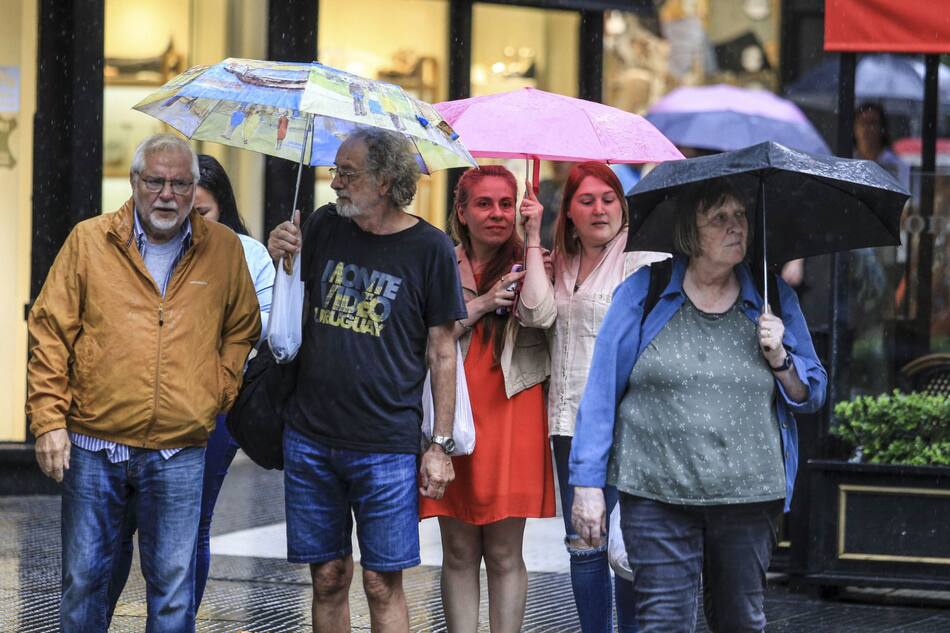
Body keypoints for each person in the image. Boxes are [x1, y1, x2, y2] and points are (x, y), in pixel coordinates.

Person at [26, 133, 261, 633]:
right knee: (85, 582)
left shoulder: (222, 249)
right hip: (93, 443)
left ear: (194, 188)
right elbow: (49, 331)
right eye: (155, 181)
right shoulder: (89, 241)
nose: (167, 194)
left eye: (179, 183)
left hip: (180, 448)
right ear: (135, 183)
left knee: (174, 592)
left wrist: (215, 391)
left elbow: (243, 326)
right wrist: (49, 421)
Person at [570, 177, 827, 632]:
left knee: (740, 622)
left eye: (741, 217)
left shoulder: (770, 298)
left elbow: (812, 394)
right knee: (663, 622)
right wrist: (588, 485)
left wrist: (780, 358)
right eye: (720, 219)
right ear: (691, 232)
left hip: (749, 496)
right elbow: (601, 392)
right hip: (656, 492)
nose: (736, 228)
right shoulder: (645, 293)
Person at [267, 128, 465, 633]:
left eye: (347, 173)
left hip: (387, 443)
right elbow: (286, 306)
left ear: (385, 181)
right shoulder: (323, 226)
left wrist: (439, 445)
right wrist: (281, 255)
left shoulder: (432, 249)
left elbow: (443, 353)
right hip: (310, 436)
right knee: (328, 576)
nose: (335, 183)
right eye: (335, 171)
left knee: (382, 582)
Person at [106, 154, 275, 614]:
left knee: (191, 524)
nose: (191, 219)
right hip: (137, 398)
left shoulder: (247, 253)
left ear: (223, 209)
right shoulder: (142, 245)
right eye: (185, 207)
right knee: (121, 524)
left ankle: (177, 623)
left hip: (213, 406)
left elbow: (262, 329)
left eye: (203, 212)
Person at [519, 161, 666, 633]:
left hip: (627, 423)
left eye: (608, 199)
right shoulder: (557, 260)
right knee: (583, 542)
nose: (599, 209)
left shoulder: (643, 260)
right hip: (566, 423)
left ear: (623, 207)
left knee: (622, 545)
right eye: (587, 200)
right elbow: (536, 315)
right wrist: (532, 238)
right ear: (569, 212)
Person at [418, 165, 555, 633]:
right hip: (451, 414)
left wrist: (534, 238)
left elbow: (540, 315)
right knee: (457, 550)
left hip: (512, 412)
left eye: (505, 204)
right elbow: (422, 337)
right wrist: (482, 302)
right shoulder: (438, 261)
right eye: (483, 203)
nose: (496, 213)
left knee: (502, 551)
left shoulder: (535, 261)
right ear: (461, 211)